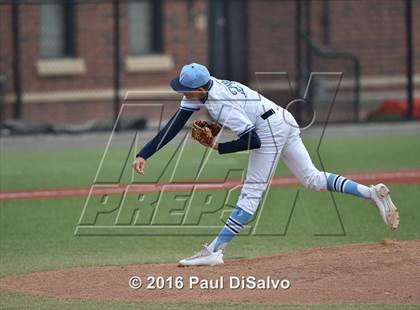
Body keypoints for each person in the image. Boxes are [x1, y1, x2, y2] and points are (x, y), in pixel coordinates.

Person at [132, 63, 399, 266]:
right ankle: (370, 193)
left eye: (184, 88)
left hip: (268, 130)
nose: (181, 91)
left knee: (251, 194)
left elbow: (253, 140)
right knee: (313, 179)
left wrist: (219, 147)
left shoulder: (220, 103)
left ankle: (214, 251)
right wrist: (144, 153)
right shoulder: (205, 88)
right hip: (283, 117)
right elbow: (174, 124)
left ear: (199, 88)